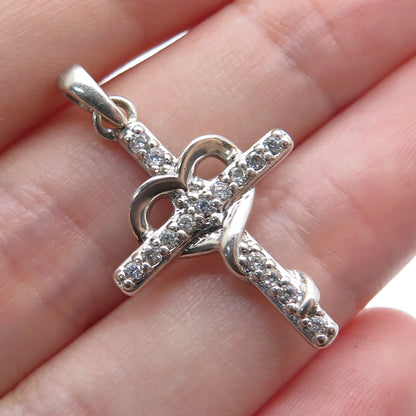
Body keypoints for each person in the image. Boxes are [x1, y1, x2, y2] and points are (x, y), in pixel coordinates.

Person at [0, 0, 415, 414]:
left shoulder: (211, 182)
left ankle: (304, 309)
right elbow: (142, 259)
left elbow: (233, 173)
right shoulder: (195, 201)